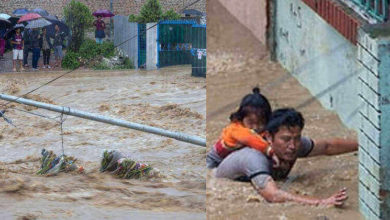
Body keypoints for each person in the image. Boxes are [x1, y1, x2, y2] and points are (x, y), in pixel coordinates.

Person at [214, 108, 357, 206]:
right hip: (219, 186)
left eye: (297, 138)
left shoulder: (293, 145)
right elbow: (273, 196)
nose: (293, 146)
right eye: (286, 139)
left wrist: (363, 146)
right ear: (269, 137)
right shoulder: (254, 158)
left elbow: (328, 147)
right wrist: (322, 202)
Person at [206, 87, 279, 169]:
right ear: (241, 118)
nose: (255, 127)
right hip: (215, 160)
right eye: (251, 122)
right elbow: (250, 138)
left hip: (233, 162)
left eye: (260, 123)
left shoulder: (265, 132)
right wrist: (269, 151)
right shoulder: (235, 129)